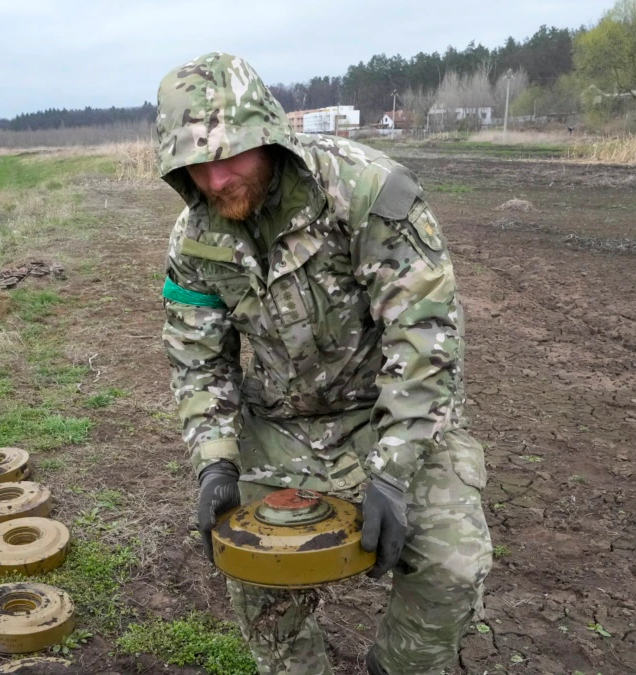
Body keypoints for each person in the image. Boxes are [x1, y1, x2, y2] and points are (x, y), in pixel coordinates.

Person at [158, 53, 492, 675]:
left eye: (231, 155)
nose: (216, 178)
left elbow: (424, 337)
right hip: (280, 426)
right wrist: (215, 462)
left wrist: (392, 474)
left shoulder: (367, 192)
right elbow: (198, 360)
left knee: (452, 568)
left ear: (268, 136)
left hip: (387, 413)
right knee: (252, 572)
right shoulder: (193, 238)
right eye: (196, 163)